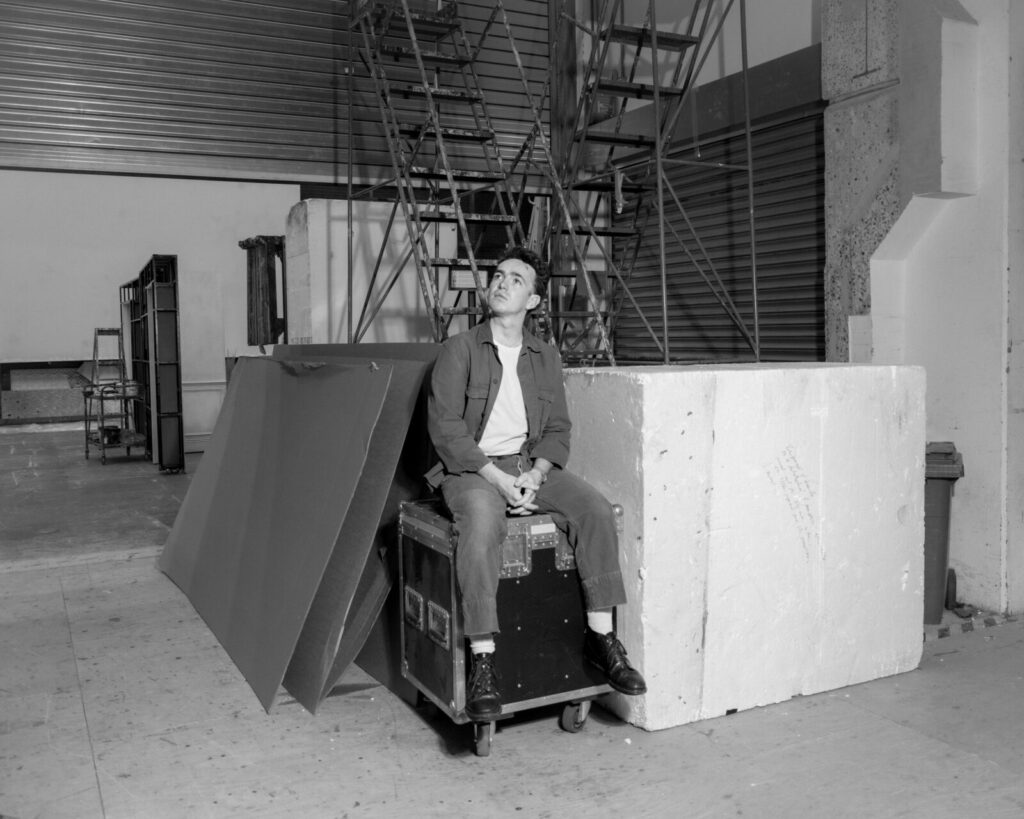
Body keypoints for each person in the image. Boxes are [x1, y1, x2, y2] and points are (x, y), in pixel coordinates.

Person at [425, 245, 647, 721]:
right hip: (472, 470)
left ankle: (601, 637)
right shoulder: (459, 350)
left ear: (534, 301)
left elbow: (558, 430)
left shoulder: (545, 356)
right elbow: (446, 428)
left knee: (594, 510)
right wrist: (498, 480)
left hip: (527, 466)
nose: (502, 283)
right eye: (498, 275)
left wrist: (535, 474)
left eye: (516, 280)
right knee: (483, 525)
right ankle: (483, 658)